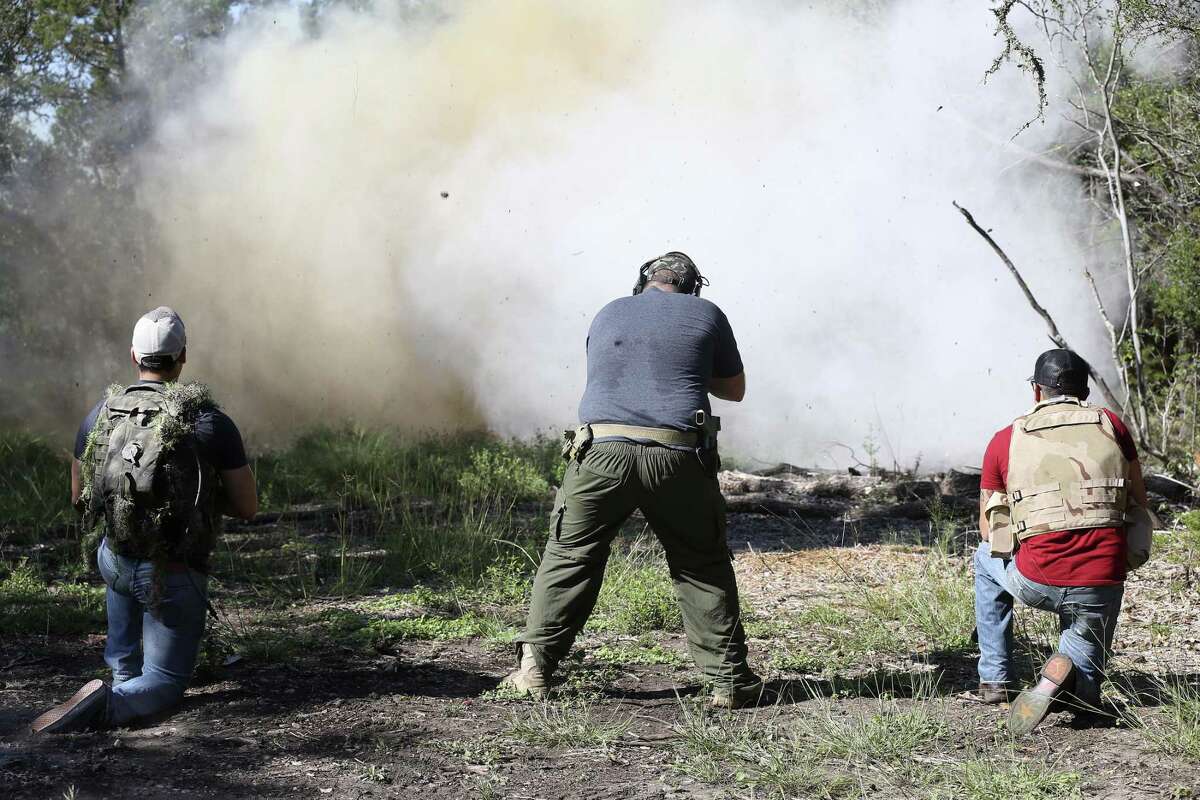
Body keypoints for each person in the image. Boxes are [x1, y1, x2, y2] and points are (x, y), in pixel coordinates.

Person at [501, 252, 762, 708]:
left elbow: (613, 374)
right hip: (677, 455)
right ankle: (729, 683)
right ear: (692, 287)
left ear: (642, 282)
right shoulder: (706, 314)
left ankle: (534, 671)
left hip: (600, 452)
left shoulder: (608, 311)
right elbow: (733, 390)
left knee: (570, 556)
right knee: (700, 563)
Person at [31, 307, 258, 734]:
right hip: (171, 572)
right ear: (183, 357)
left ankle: (117, 681)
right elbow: (247, 506)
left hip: (114, 560)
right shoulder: (208, 421)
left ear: (134, 356)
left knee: (126, 643)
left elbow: (80, 497)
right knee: (167, 683)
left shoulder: (102, 413)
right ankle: (105, 710)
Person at [974, 348, 1148, 735]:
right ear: (1085, 392)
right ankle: (1080, 690)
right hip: (1101, 579)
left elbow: (990, 532)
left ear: (1037, 391)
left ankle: (995, 679)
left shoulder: (1008, 438)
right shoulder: (1113, 426)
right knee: (1085, 630)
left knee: (984, 560)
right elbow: (1139, 500)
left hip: (1036, 579)